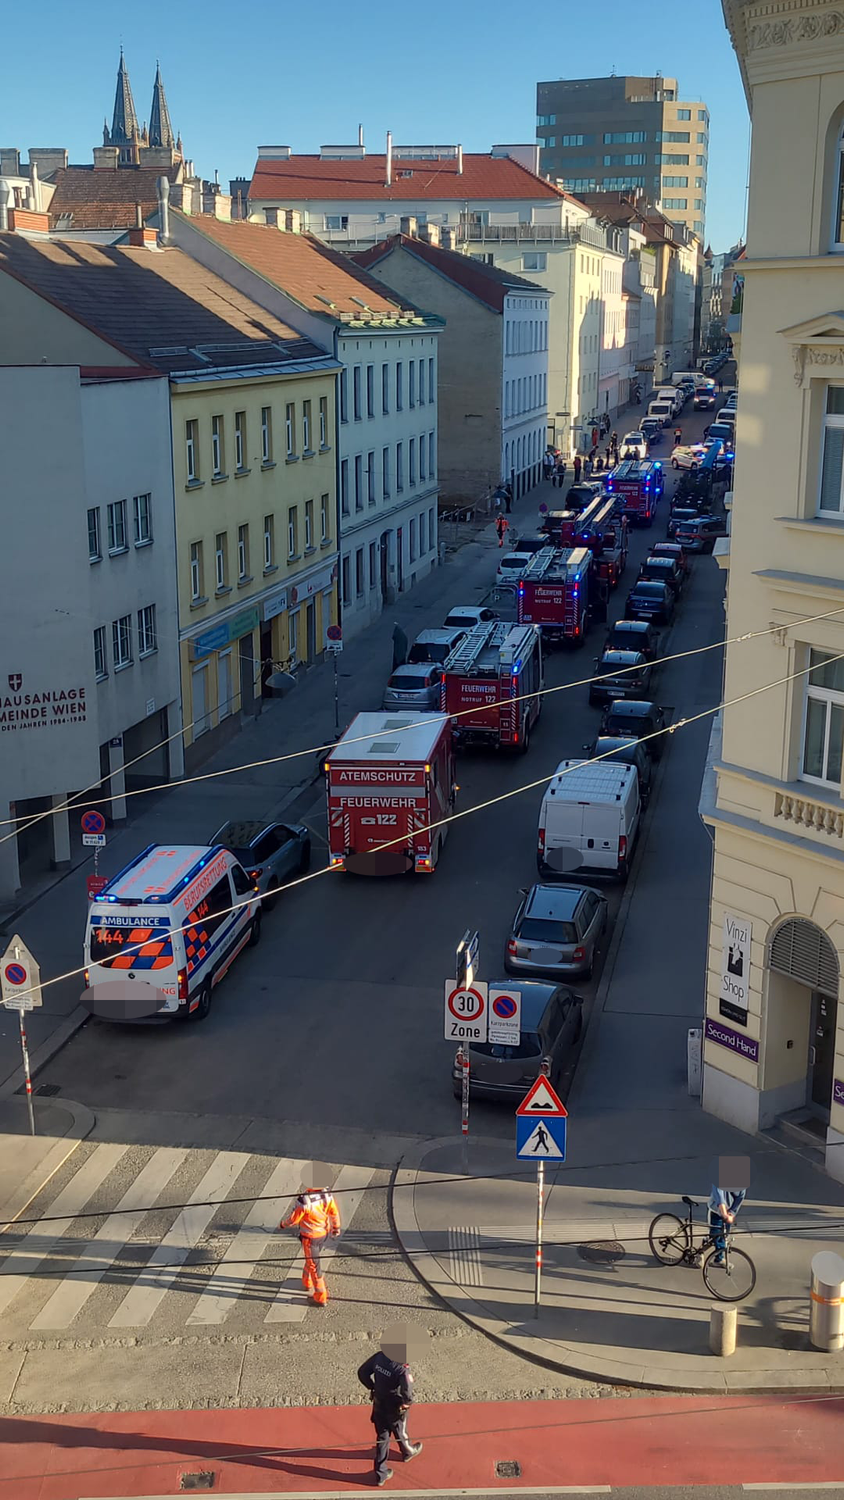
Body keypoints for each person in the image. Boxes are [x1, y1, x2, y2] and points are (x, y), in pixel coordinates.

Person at [358, 1341, 423, 1487]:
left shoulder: (380, 1357)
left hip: (379, 1402)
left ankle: (381, 1473)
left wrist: (373, 1387)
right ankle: (408, 1451)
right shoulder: (402, 1369)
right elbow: (407, 1390)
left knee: (382, 1436)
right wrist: (407, 1403)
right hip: (394, 1404)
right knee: (400, 1428)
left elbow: (362, 1372)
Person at [279, 1186, 341, 1306]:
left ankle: (320, 1297)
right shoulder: (326, 1195)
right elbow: (334, 1213)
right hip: (323, 1234)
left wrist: (282, 1225)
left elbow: (293, 1220)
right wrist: (336, 1228)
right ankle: (307, 1282)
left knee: (314, 1266)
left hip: (309, 1237)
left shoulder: (304, 1201)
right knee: (312, 1260)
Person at [708, 1182, 747, 1265]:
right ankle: (717, 1257)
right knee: (716, 1236)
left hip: (728, 1212)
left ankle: (718, 1257)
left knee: (724, 1235)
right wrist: (724, 1214)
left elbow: (740, 1198)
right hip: (716, 1211)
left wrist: (732, 1213)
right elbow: (719, 1197)